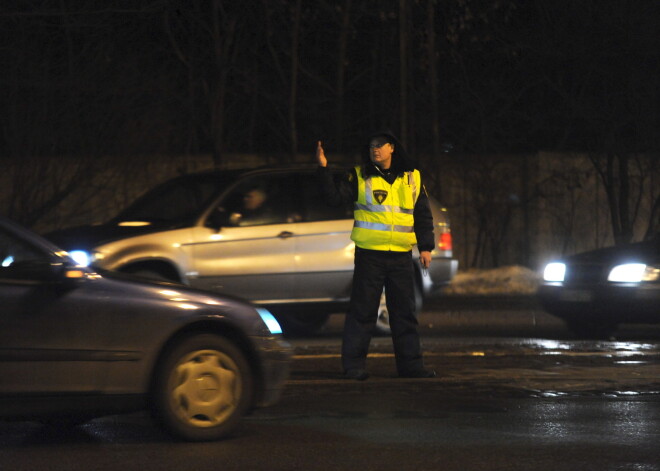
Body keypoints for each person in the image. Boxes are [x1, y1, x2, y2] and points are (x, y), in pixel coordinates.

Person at [316, 132, 437, 380]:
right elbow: (334, 198)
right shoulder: (360, 176)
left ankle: (411, 367)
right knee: (362, 312)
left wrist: (426, 247)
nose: (375, 150)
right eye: (371, 146)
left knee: (404, 313)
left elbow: (422, 214)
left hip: (401, 256)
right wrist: (323, 169)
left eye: (380, 146)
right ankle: (354, 367)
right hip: (370, 256)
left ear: (391, 148)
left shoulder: (411, 177)